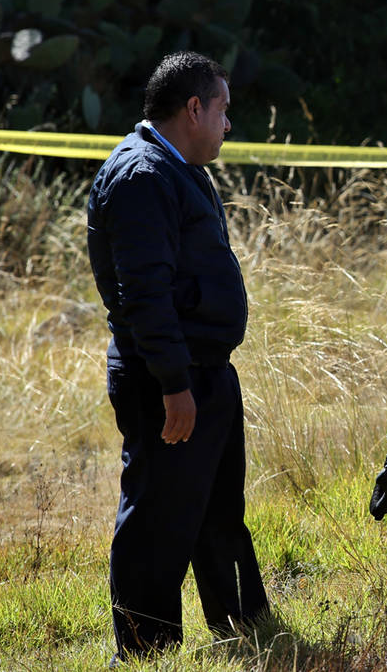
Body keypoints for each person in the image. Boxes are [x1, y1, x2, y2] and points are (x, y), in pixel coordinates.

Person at [87, 51, 267, 662]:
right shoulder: (142, 176)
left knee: (218, 512)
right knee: (158, 522)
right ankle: (144, 652)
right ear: (194, 108)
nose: (227, 124)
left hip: (205, 372)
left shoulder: (180, 166)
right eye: (222, 110)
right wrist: (173, 383)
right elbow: (144, 295)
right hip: (168, 378)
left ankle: (244, 629)